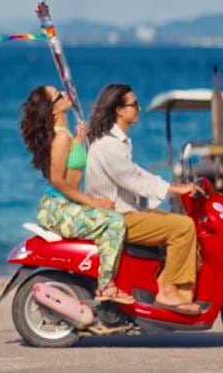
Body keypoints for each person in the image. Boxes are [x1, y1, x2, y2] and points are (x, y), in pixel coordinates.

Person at [85, 83, 201, 315]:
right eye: (134, 104)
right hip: (117, 217)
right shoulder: (109, 144)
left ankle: (163, 284)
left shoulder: (116, 141)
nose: (138, 108)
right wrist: (174, 189)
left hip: (127, 212)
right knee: (183, 227)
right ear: (119, 110)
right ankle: (168, 291)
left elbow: (135, 172)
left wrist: (171, 186)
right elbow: (131, 179)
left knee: (178, 222)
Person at [19, 85, 134, 304]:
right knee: (115, 222)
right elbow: (57, 180)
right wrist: (93, 202)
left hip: (64, 204)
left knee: (115, 216)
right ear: (54, 109)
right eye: (59, 95)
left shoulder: (64, 135)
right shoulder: (60, 137)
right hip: (58, 208)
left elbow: (67, 167)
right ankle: (106, 286)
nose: (65, 93)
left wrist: (78, 141)